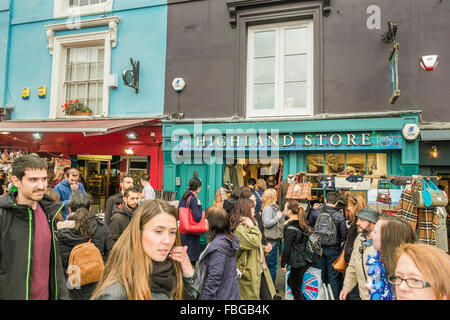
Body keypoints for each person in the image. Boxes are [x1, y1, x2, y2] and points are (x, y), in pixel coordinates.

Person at [91, 199, 200, 300]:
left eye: (172, 232)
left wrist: (188, 273)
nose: (167, 240)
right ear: (138, 232)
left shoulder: (174, 268)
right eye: (158, 231)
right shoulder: (117, 290)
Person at [0, 154, 69, 300]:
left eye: (44, 179)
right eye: (33, 180)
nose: (41, 185)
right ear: (16, 181)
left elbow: (54, 264)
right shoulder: (3, 215)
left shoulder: (49, 212)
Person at [57, 192, 114, 300]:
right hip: (95, 280)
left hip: (71, 281)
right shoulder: (101, 227)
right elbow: (110, 252)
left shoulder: (60, 230)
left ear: (69, 209)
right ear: (90, 208)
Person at [230, 199, 276, 300]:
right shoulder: (240, 228)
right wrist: (253, 227)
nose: (254, 210)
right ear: (246, 209)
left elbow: (253, 247)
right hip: (249, 272)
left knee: (268, 296)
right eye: (252, 207)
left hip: (258, 269)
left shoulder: (247, 226)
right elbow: (254, 242)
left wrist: (264, 249)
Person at [309, 191, 347, 299]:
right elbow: (344, 234)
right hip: (333, 250)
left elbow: (309, 224)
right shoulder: (339, 216)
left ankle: (319, 297)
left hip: (318, 248)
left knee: (320, 276)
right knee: (333, 278)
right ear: (336, 203)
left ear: (325, 200)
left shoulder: (316, 212)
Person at [367, 215, 415, 300]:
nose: (371, 235)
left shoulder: (409, 271)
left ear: (388, 238)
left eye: (375, 232)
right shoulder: (379, 259)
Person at [198, 206, 240, 300]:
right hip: (229, 292)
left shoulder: (218, 246)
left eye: (206, 218)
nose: (204, 220)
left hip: (220, 295)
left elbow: (214, 278)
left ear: (213, 222)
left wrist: (205, 297)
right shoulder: (226, 240)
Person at [339, 207, 379, 300]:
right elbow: (353, 265)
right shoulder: (359, 239)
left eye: (362, 220)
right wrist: (347, 287)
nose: (357, 223)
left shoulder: (380, 242)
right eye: (358, 219)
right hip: (363, 295)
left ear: (373, 223)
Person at [281, 200, 311, 300]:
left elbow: (287, 247)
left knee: (296, 290)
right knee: (292, 284)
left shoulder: (291, 229)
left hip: (298, 262)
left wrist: (283, 263)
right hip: (303, 260)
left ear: (289, 211)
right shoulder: (302, 222)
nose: (284, 210)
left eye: (285, 208)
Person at [342, 195, 368, 299]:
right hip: (360, 267)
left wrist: (348, 257)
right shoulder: (364, 223)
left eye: (350, 206)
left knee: (354, 295)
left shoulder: (356, 226)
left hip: (356, 266)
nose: (348, 209)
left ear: (356, 207)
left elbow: (350, 250)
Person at [178, 173, 203, 266]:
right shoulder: (193, 199)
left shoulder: (183, 197)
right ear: (198, 188)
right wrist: (199, 206)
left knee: (182, 262)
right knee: (190, 264)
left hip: (183, 233)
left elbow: (179, 214)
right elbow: (197, 218)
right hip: (191, 235)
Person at [261, 188, 285, 286]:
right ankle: (270, 288)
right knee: (272, 265)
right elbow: (266, 223)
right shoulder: (268, 208)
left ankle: (271, 287)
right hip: (271, 240)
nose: (277, 196)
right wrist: (278, 217)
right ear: (272, 197)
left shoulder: (274, 207)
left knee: (273, 264)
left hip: (275, 239)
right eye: (275, 195)